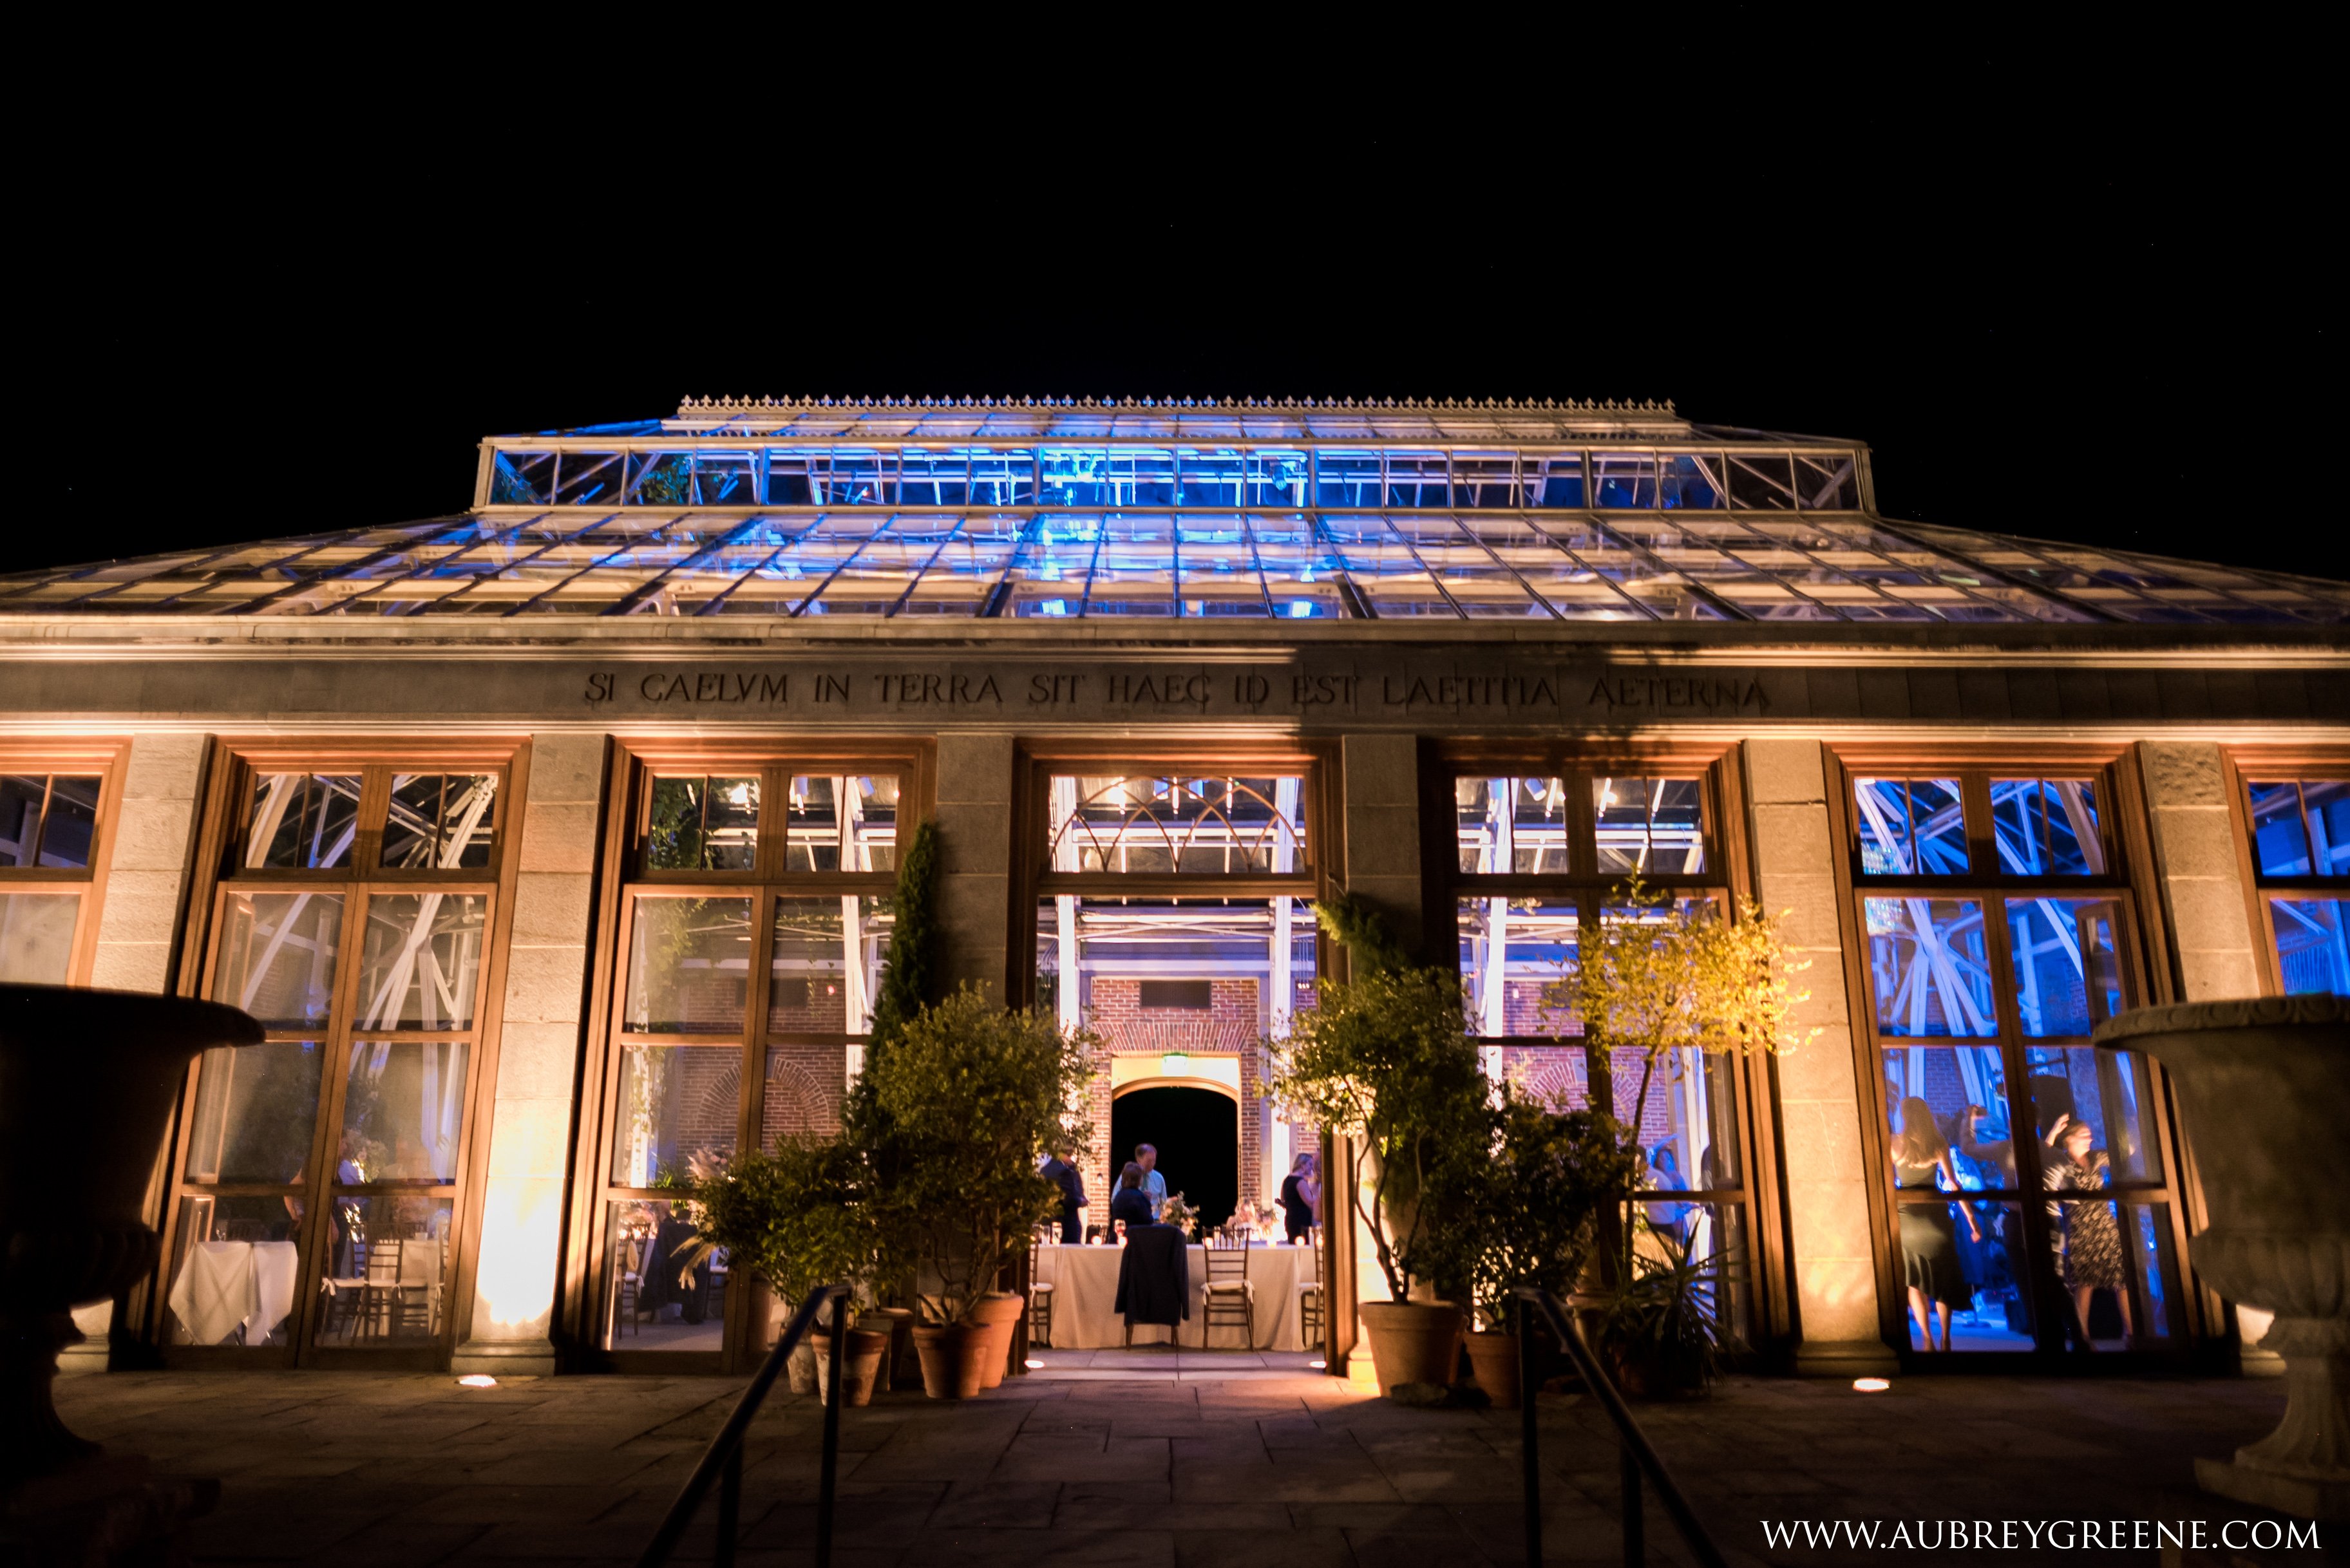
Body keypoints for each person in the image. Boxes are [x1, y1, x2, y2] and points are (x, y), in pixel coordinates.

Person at [1891, 1095, 1980, 1352]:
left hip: (1908, 1215)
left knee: (1915, 1280)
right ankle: (1946, 1338)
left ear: (1905, 1116)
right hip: (1935, 1214)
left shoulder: (1895, 1143)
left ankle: (1926, 1337)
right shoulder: (1938, 1143)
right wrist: (1972, 1220)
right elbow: (1953, 1184)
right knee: (1943, 1279)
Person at [2046, 1114, 2133, 1347]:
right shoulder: (2062, 1162)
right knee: (2085, 1283)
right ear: (2069, 1139)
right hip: (2080, 1229)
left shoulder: (2094, 1158)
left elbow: (2124, 1152)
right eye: (2084, 1135)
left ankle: (2132, 1334)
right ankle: (2082, 1337)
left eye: (2090, 1135)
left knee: (2122, 1279)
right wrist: (2054, 1131)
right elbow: (2041, 1157)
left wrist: (2133, 1127)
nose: (2090, 1139)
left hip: (2105, 1227)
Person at [1039, 1151, 1088, 1243]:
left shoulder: (1044, 1170)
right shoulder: (1064, 1171)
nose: (1073, 1158)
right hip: (1064, 1225)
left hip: (1047, 1223)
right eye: (1071, 1155)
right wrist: (1080, 1202)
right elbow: (1067, 1199)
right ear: (1063, 1154)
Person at [1279, 1151, 1319, 1243]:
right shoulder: (1300, 1182)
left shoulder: (1287, 1180)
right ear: (1302, 1166)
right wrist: (1319, 1195)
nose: (1312, 1168)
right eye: (1310, 1164)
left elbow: (1283, 1199)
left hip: (1290, 1220)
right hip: (1301, 1222)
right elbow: (1310, 1203)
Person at [1110, 1162, 1154, 1236]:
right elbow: (1148, 1221)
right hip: (1135, 1240)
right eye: (1142, 1176)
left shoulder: (1118, 1196)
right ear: (1138, 1179)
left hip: (1117, 1238)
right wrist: (1147, 1201)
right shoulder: (1139, 1197)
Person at [1135, 1144, 1168, 1220]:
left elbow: (1164, 1203)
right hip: (1134, 1222)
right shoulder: (1128, 1177)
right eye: (1149, 1161)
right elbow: (1115, 1198)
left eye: (1154, 1160)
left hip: (1154, 1221)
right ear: (1139, 1160)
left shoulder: (1159, 1178)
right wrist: (1138, 1198)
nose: (1153, 1164)